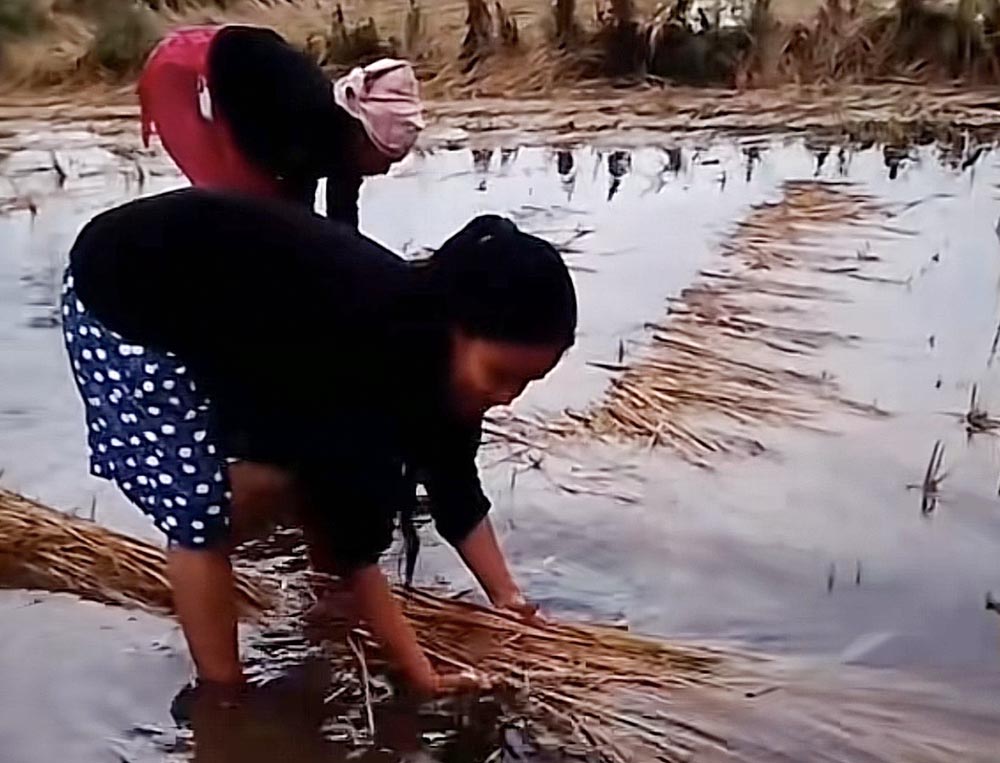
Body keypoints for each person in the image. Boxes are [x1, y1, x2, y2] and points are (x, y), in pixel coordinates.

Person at [61, 189, 577, 696]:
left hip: (239, 310)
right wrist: (423, 673)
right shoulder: (364, 355)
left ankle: (325, 608)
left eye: (526, 383)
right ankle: (222, 696)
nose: (507, 397)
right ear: (456, 330)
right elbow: (357, 541)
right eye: (499, 375)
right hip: (127, 289)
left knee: (312, 474)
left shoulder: (428, 351)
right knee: (203, 513)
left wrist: (507, 598)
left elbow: (454, 481)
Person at [138, 25, 424, 226]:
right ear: (365, 140)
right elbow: (291, 201)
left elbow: (342, 215)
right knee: (245, 204)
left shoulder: (346, 141)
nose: (386, 171)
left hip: (249, 78)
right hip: (187, 71)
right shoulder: (304, 125)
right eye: (387, 159)